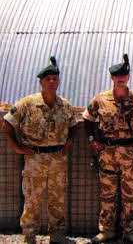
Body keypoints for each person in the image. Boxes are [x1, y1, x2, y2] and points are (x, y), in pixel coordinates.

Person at [2, 57, 77, 244]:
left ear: (58, 81)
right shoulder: (28, 103)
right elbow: (7, 124)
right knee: (32, 199)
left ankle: (57, 234)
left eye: (54, 78)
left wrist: (69, 142)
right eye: (48, 79)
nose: (52, 82)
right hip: (35, 158)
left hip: (58, 158)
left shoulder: (64, 105)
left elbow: (74, 124)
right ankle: (29, 235)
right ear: (41, 82)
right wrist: (16, 146)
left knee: (57, 199)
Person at [83, 54, 133, 243]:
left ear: (128, 77)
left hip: (130, 154)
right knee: (107, 194)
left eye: (124, 76)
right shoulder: (100, 99)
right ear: (112, 77)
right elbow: (87, 120)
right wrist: (91, 139)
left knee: (131, 195)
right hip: (107, 154)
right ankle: (107, 230)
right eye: (117, 76)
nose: (120, 79)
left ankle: (130, 231)